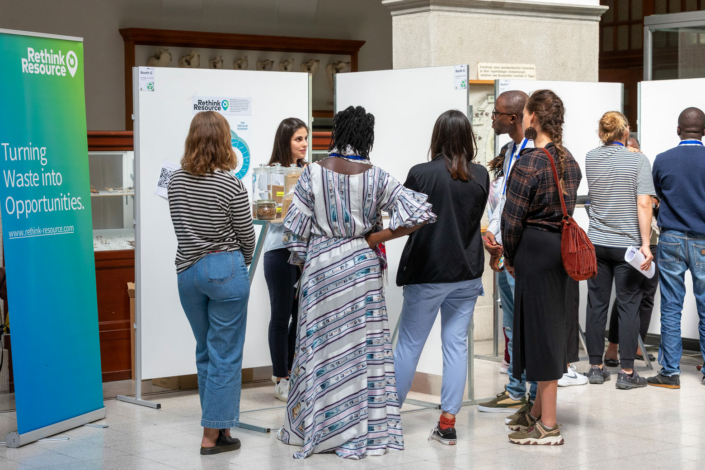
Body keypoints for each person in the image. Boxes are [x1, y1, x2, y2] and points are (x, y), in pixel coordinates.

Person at [277, 106, 436, 459]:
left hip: (321, 269)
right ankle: (360, 428)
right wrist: (373, 238)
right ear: (368, 136)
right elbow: (421, 214)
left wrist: (310, 260)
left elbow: (294, 232)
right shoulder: (377, 176)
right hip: (361, 267)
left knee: (321, 349)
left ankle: (318, 427)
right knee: (361, 352)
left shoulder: (313, 173)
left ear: (337, 131)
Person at [393, 110, 489, 445]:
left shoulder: (421, 174)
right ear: (468, 138)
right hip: (466, 274)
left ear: (437, 137)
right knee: (456, 346)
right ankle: (448, 422)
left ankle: (390, 418)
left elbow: (400, 218)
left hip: (428, 272)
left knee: (408, 345)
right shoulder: (480, 175)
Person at [168, 111, 256, 455]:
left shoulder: (175, 180)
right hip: (224, 267)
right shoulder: (230, 183)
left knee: (205, 352)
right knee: (226, 355)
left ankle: (221, 431)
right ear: (224, 140)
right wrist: (241, 263)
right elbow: (246, 236)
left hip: (187, 273)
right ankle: (210, 435)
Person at [502, 89, 582, 445]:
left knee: (540, 334)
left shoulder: (530, 161)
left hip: (533, 249)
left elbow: (511, 218)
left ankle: (548, 424)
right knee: (548, 327)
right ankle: (536, 412)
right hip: (559, 250)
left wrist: (510, 255)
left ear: (531, 116)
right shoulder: (570, 161)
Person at [583, 111, 654, 390]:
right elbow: (644, 203)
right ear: (625, 133)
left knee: (596, 304)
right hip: (627, 245)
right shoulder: (638, 160)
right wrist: (646, 244)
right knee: (629, 305)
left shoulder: (590, 157)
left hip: (597, 243)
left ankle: (595, 368)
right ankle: (626, 372)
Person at [479, 91, 539, 414]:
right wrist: (491, 231)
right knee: (512, 323)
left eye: (497, 114)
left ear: (514, 118)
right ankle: (516, 388)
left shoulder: (537, 154)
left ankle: (532, 392)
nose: (493, 118)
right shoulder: (508, 151)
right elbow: (501, 200)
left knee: (526, 322)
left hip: (524, 254)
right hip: (503, 250)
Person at [647, 107, 705, 389]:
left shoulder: (663, 159)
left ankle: (670, 372)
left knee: (671, 307)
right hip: (704, 242)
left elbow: (656, 196)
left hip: (670, 239)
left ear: (678, 130)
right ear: (704, 131)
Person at [262, 118, 308, 402]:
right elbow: (275, 212)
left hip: (304, 253)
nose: (304, 144)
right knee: (281, 316)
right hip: (279, 250)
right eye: (298, 139)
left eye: (305, 138)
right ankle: (280, 376)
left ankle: (292, 371)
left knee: (300, 316)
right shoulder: (272, 173)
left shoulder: (310, 171)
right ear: (285, 141)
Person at [604, 135, 659, 366]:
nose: (631, 153)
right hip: (624, 239)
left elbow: (655, 201)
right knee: (625, 297)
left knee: (646, 295)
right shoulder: (613, 170)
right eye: (627, 150)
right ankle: (614, 346)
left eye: (634, 150)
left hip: (650, 239)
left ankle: (638, 345)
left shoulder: (644, 166)